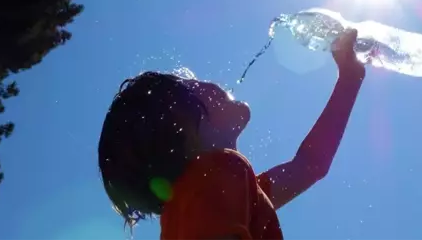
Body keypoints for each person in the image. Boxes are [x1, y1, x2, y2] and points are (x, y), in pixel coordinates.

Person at [98, 29, 366, 240]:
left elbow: (310, 165)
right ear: (183, 126)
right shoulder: (217, 176)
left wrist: (350, 77)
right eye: (193, 84)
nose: (209, 82)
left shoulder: (224, 196)